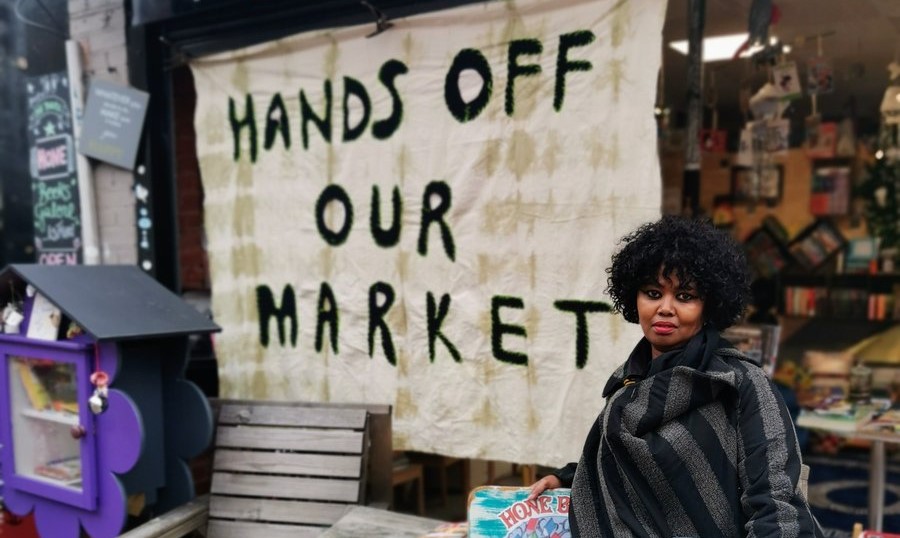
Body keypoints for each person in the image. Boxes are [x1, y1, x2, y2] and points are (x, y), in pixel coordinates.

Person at [527, 216, 823, 537]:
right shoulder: (627, 383)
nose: (665, 308)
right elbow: (624, 466)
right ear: (634, 299)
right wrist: (570, 476)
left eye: (685, 296)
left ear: (708, 305)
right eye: (653, 293)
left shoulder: (740, 383)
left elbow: (775, 501)